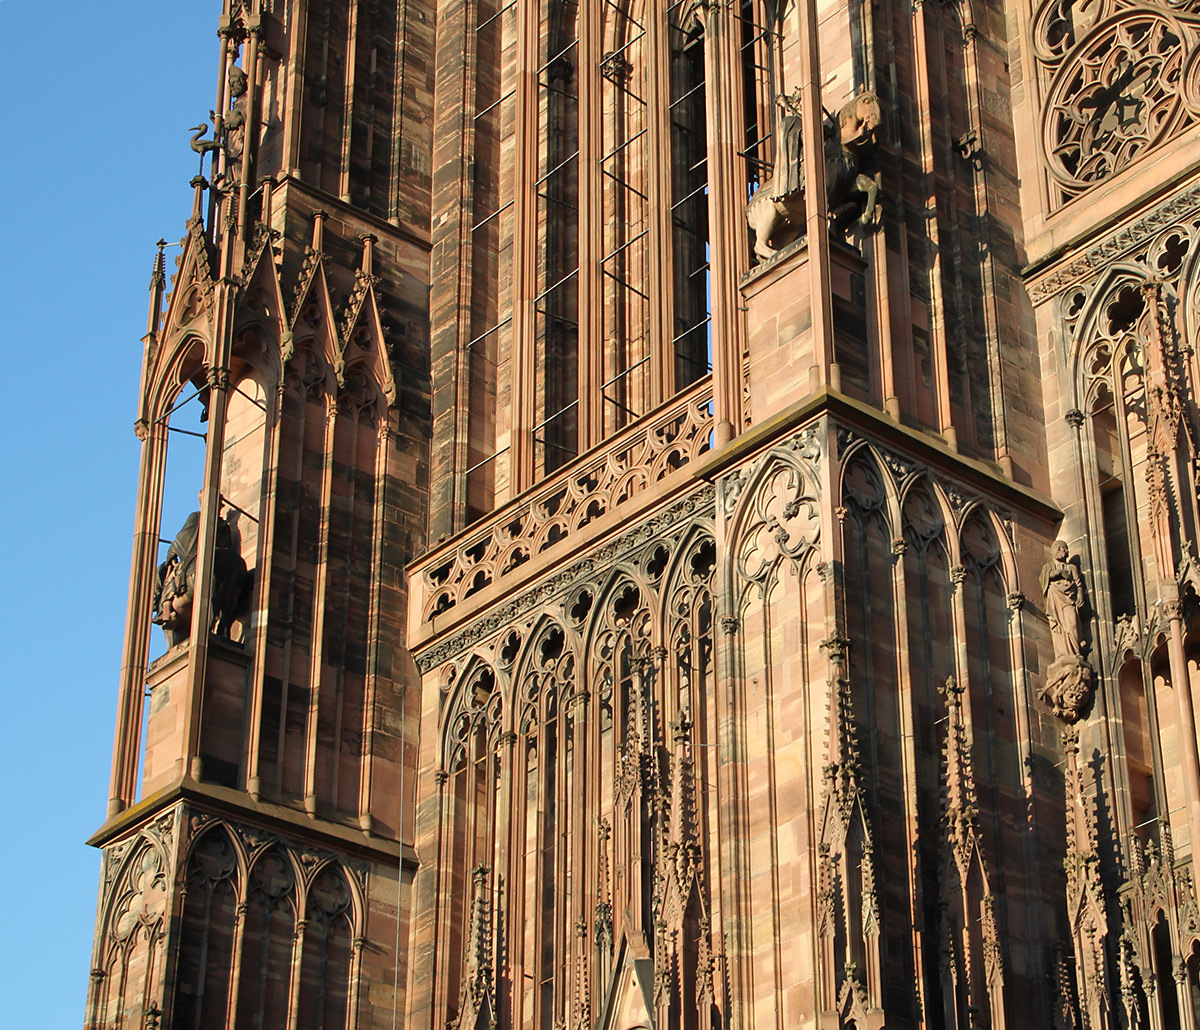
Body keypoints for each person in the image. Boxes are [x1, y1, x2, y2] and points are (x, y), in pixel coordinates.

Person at [1040, 540, 1086, 659]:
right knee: (1058, 627)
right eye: (1058, 548)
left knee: (1072, 623)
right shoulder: (1048, 567)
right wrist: (1059, 573)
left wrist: (1080, 595)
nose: (1062, 551)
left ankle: (1075, 652)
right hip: (1056, 599)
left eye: (1064, 548)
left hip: (1069, 598)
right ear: (1053, 552)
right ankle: (1063, 653)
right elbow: (1044, 578)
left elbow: (1078, 584)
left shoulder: (1072, 567)